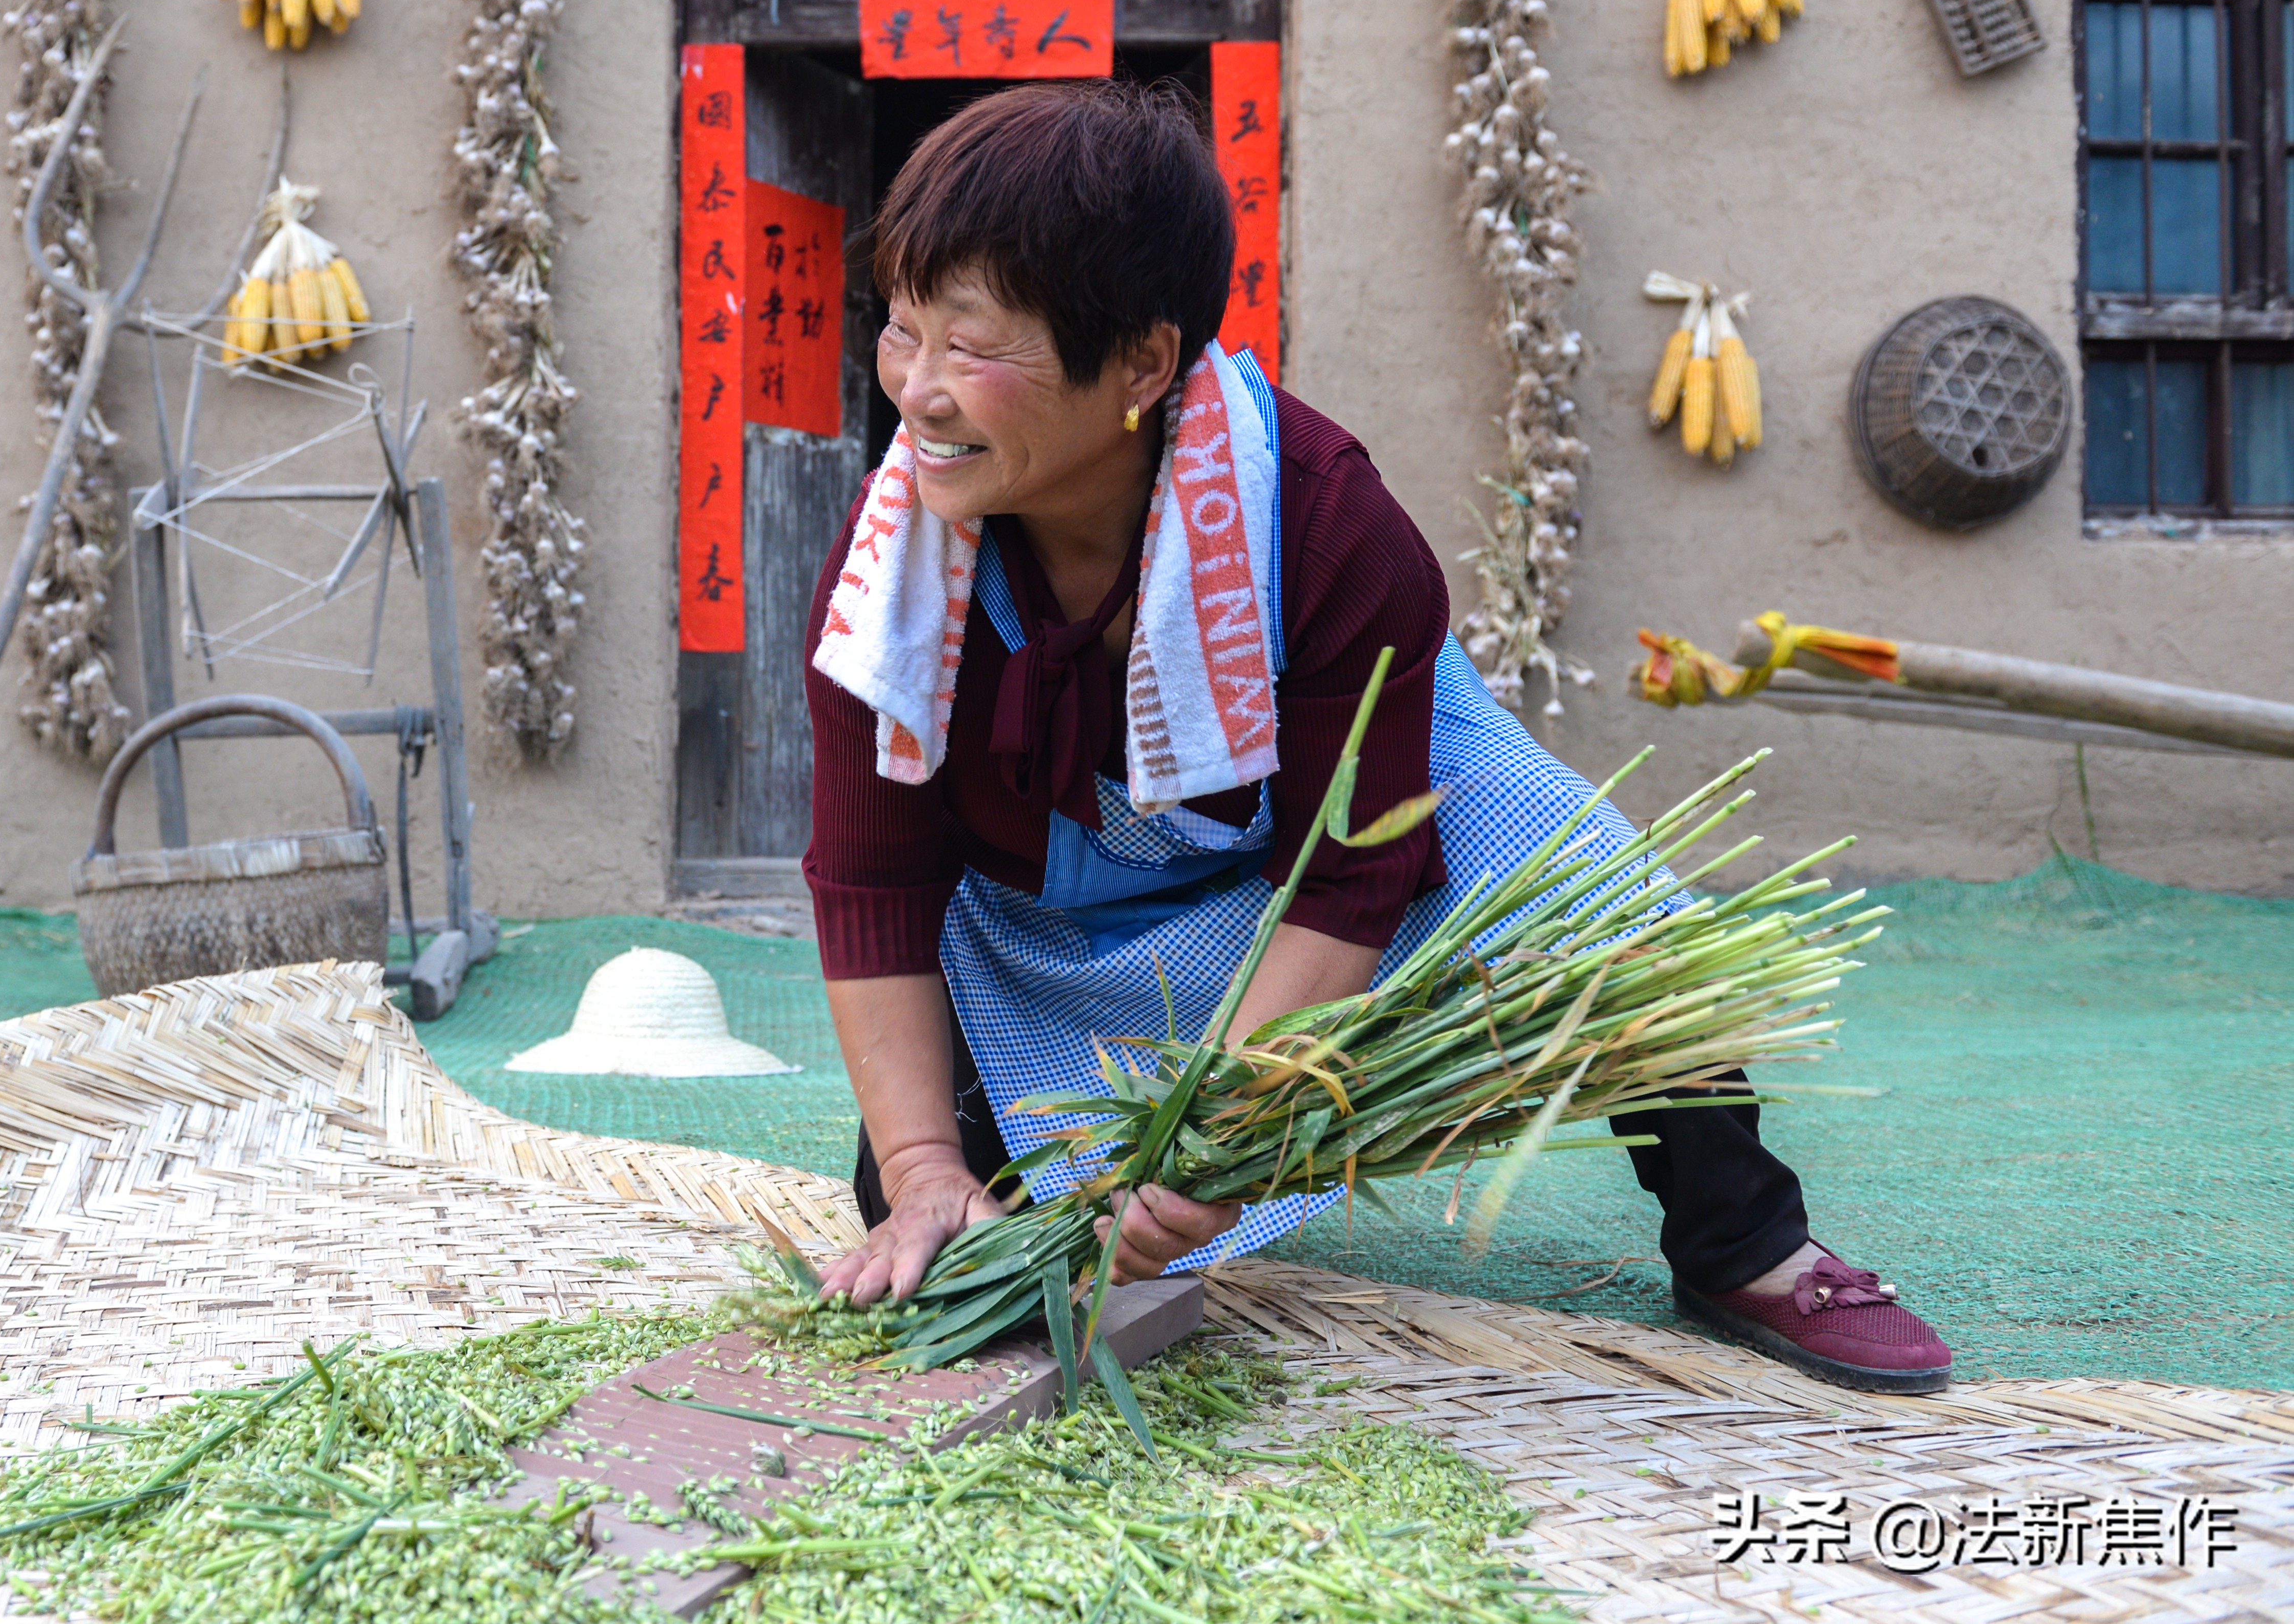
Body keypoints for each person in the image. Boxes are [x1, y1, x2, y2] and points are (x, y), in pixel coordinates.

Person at [800, 81, 1953, 1394]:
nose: (921, 396)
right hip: (1051, 923)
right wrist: (919, 1173)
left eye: (975, 347)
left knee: (1594, 882)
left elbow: (1354, 875)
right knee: (938, 1218)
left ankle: (1745, 1240)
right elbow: (875, 881)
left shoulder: (1326, 524)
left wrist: (1200, 1148)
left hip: (1329, 868)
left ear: (1138, 362)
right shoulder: (888, 574)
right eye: (900, 336)